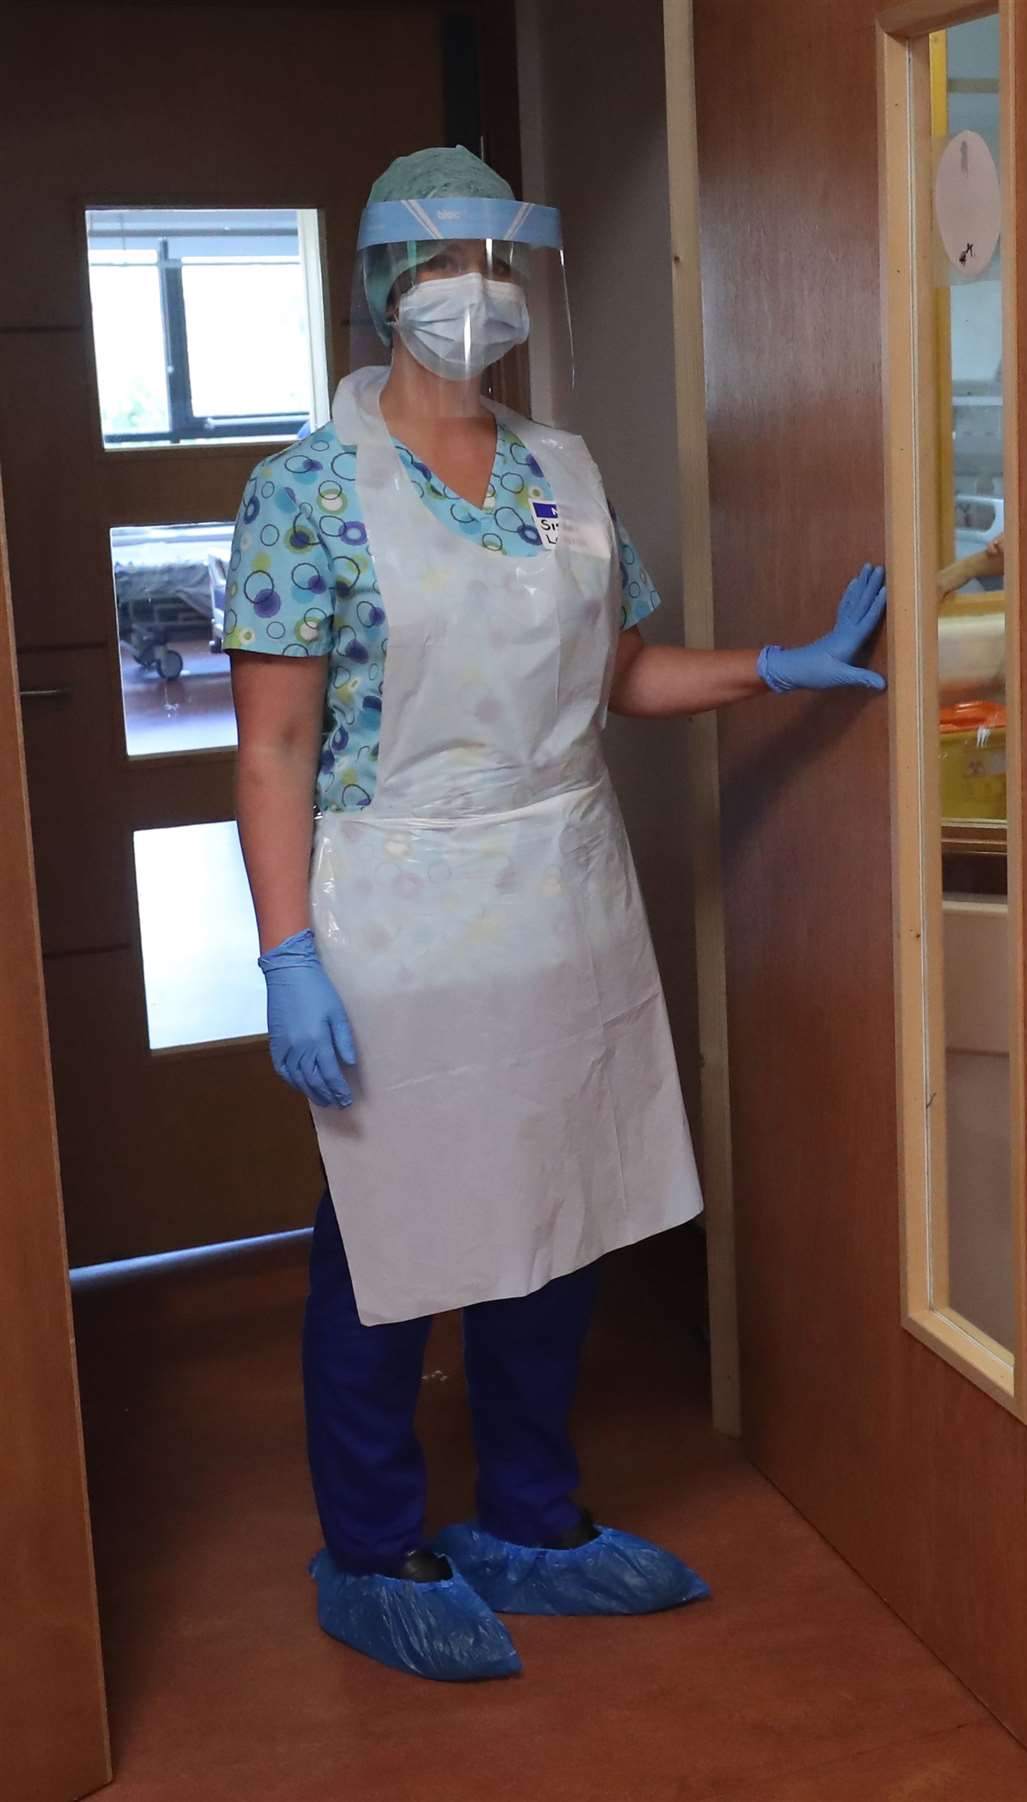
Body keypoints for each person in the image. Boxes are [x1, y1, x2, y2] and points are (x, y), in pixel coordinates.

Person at [225, 145, 886, 1684]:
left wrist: (771, 667)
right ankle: (375, 1547)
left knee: (557, 1222)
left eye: (499, 263)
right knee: (393, 1242)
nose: (480, 293)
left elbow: (620, 679)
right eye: (448, 262)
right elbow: (266, 747)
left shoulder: (564, 472)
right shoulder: (304, 494)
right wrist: (286, 954)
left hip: (565, 900)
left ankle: (531, 1519)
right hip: (398, 914)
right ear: (390, 284)